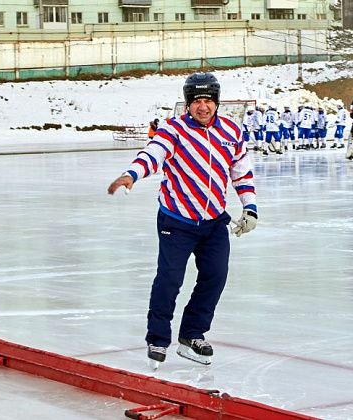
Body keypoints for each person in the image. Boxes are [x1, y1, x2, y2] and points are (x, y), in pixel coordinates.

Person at [107, 72, 258, 370]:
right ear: (188, 104)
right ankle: (158, 338)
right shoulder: (173, 131)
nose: (203, 107)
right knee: (170, 279)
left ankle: (192, 335)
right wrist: (131, 174)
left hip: (214, 222)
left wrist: (250, 208)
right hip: (177, 220)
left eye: (208, 100)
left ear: (216, 102)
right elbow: (153, 154)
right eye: (197, 101)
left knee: (215, 277)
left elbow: (241, 172)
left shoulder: (231, 131)